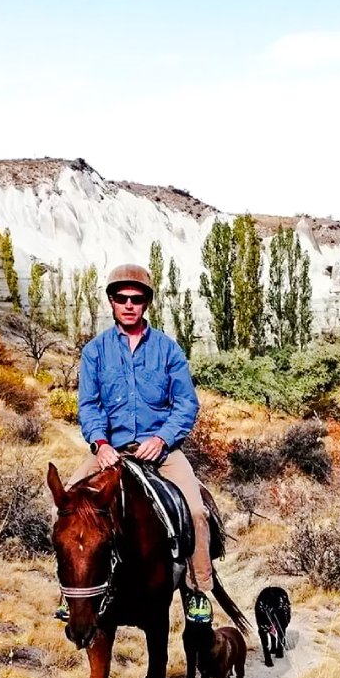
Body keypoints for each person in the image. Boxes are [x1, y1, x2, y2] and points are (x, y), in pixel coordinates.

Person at [66, 263, 215, 619]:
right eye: (121, 298)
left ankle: (198, 590)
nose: (129, 305)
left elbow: (186, 403)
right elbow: (89, 405)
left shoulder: (167, 349)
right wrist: (101, 444)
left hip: (162, 452)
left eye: (136, 298)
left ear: (146, 303)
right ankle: (72, 593)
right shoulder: (95, 352)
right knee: (69, 503)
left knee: (195, 511)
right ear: (111, 302)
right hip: (111, 452)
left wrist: (163, 439)